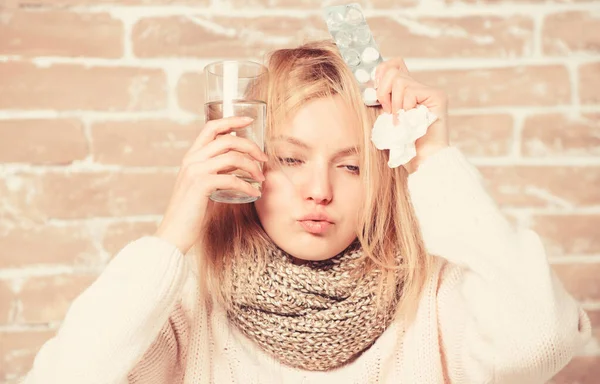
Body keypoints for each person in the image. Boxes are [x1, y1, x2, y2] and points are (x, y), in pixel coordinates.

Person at [22, 40, 591, 384]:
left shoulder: (435, 300)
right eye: (291, 159)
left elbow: (544, 339)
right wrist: (172, 235)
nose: (319, 190)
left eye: (352, 166)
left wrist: (435, 158)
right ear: (245, 157)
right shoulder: (187, 305)